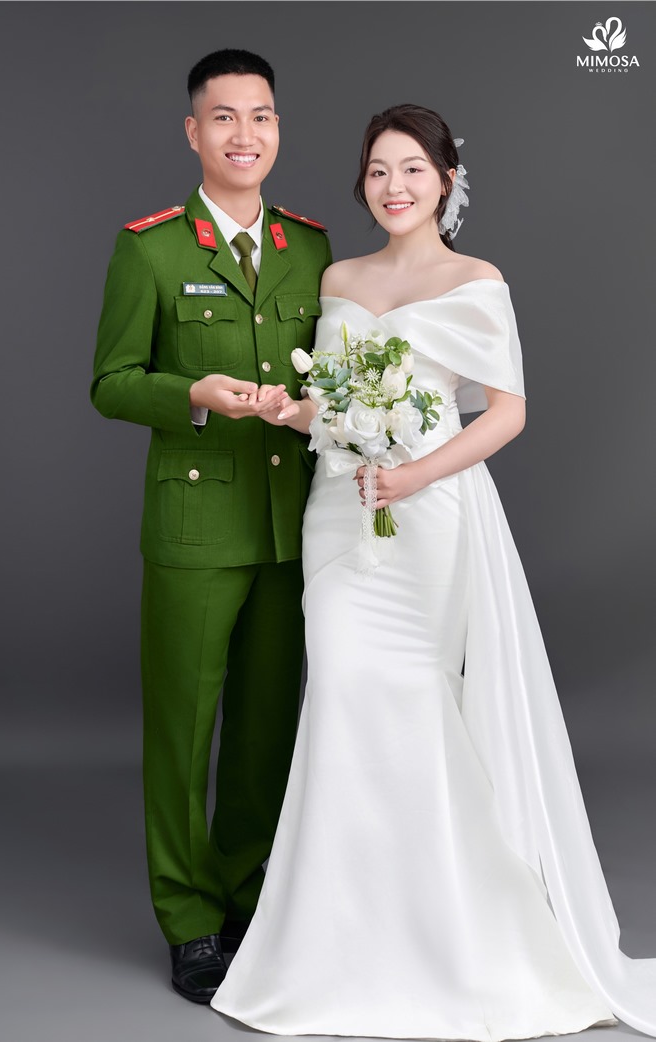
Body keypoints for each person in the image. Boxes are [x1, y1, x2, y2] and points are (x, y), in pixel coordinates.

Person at [211, 105, 656, 1038]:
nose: (394, 186)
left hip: (428, 515)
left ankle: (454, 939)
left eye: (412, 168)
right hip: (340, 512)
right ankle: (336, 944)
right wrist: (285, 410)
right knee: (342, 694)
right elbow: (330, 406)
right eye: (378, 170)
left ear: (446, 180)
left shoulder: (476, 280)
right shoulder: (339, 277)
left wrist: (413, 474)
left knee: (417, 701)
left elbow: (506, 413)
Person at [91, 49, 331, 1004]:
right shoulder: (150, 248)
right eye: (224, 117)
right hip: (194, 528)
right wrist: (191, 392)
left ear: (277, 128)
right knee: (183, 731)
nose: (244, 134)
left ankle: (244, 898)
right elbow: (111, 383)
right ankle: (189, 919)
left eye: (260, 116)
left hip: (288, 526)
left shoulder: (309, 248)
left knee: (266, 731)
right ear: (194, 132)